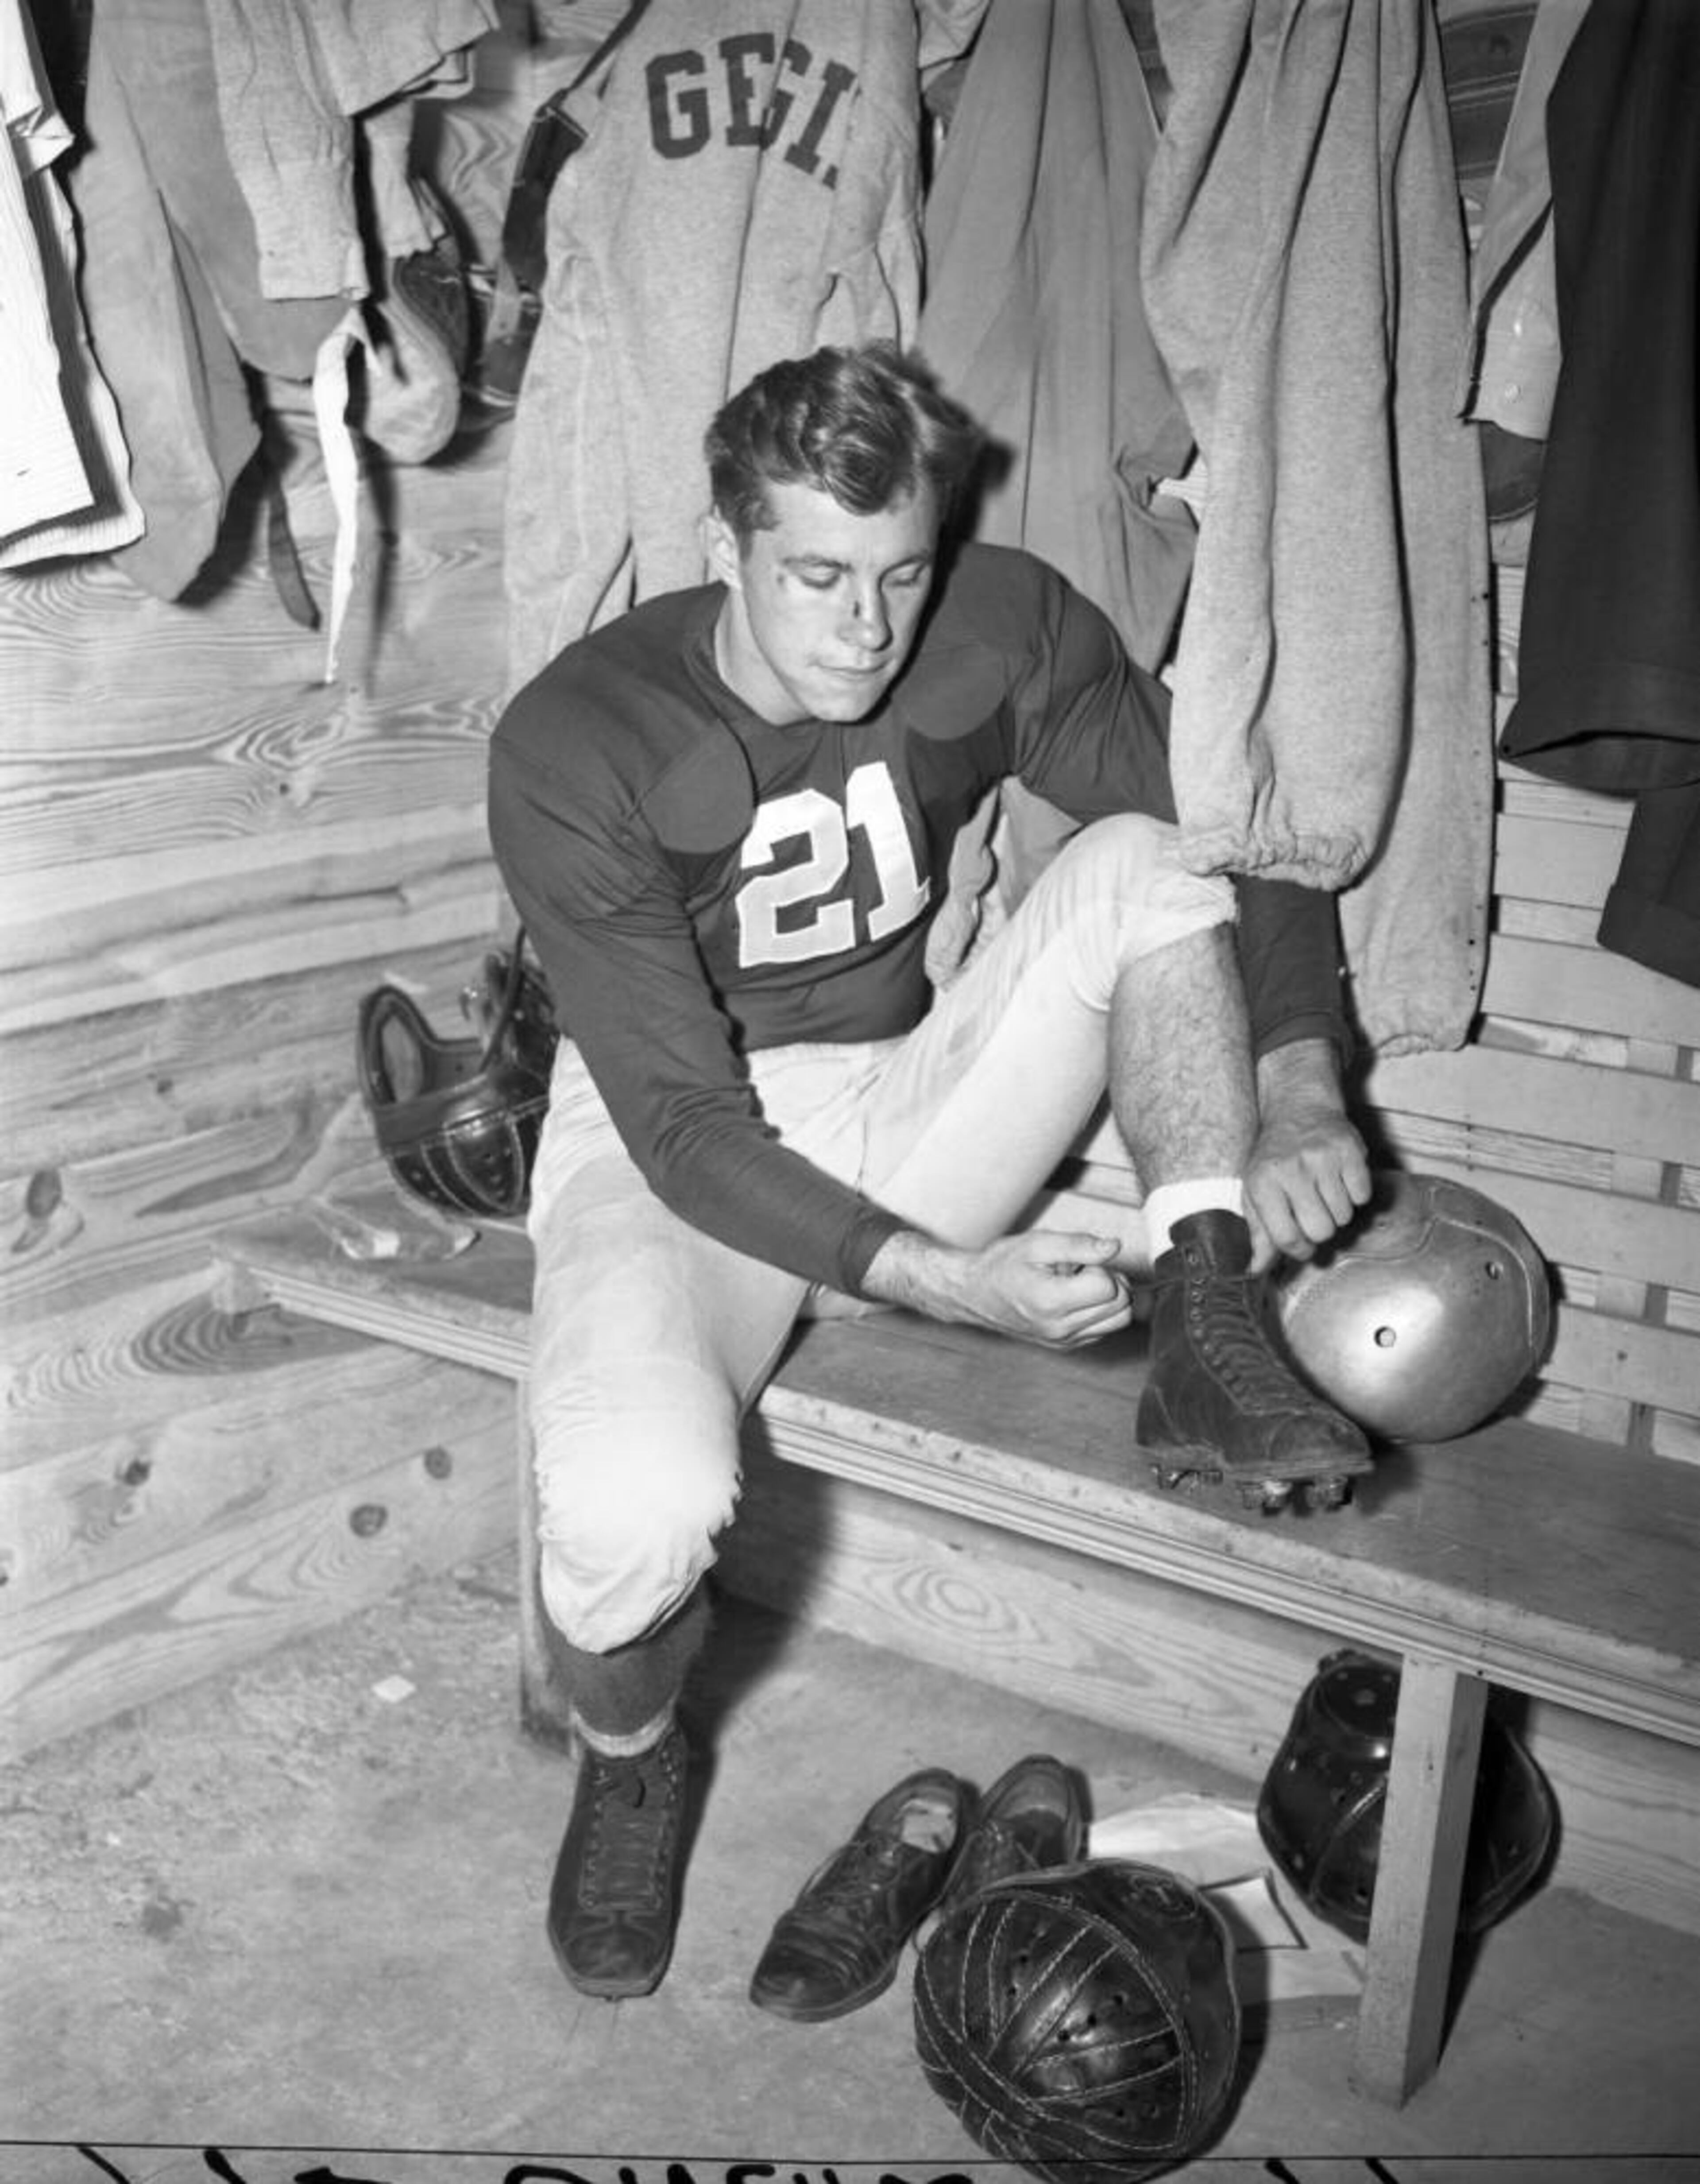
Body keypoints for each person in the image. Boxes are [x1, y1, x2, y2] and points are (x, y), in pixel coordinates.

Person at [487, 342, 1373, 2005]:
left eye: (899, 573)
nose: (867, 627)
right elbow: (685, 1130)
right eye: (817, 576)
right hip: (672, 1137)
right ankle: (634, 1756)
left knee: (1147, 852)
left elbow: (1227, 831)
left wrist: (1299, 1074)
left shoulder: (999, 622)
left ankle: (1207, 1321)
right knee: (633, 1507)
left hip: (905, 1097)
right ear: (724, 543)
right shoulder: (580, 734)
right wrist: (945, 1278)